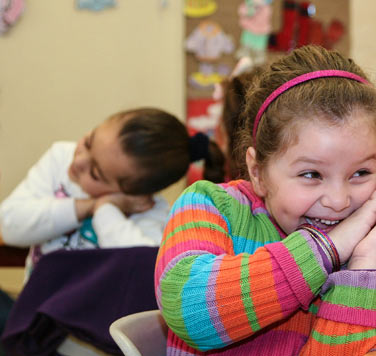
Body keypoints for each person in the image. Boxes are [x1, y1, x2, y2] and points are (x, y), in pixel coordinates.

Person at [155, 45, 376, 355]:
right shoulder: (211, 206)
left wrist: (366, 269)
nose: (339, 200)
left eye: (360, 172)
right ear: (258, 172)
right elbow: (190, 313)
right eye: (311, 174)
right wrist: (328, 248)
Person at [0, 108, 224, 278]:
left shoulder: (152, 216)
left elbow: (140, 271)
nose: (78, 162)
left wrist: (107, 211)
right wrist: (87, 207)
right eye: (88, 142)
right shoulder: (60, 158)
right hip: (33, 324)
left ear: (135, 195)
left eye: (95, 174)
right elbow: (9, 226)